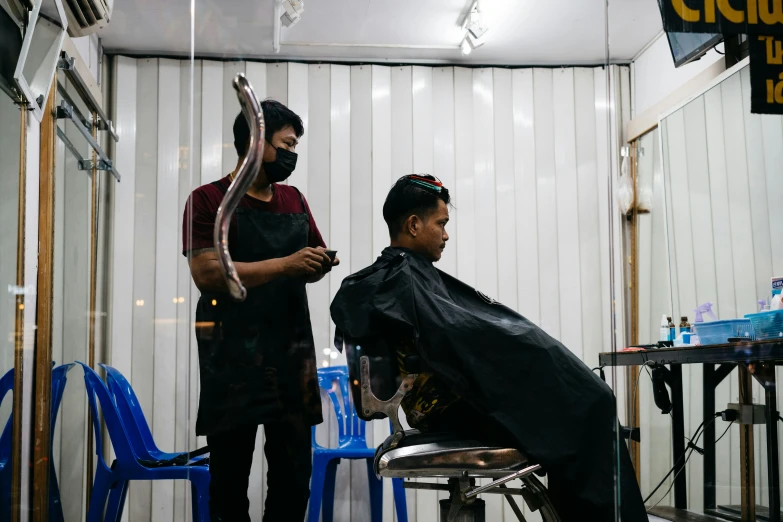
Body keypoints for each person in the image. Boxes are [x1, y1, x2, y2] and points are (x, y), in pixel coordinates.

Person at [330, 174, 648, 522]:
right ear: (414, 224)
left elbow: (465, 340)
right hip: (454, 411)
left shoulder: (394, 281)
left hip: (447, 407)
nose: (447, 235)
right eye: (442, 224)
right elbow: (468, 342)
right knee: (593, 404)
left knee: (585, 404)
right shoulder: (400, 281)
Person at [182, 100, 338, 522]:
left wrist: (318, 264)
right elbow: (209, 273)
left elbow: (311, 257)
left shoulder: (293, 199)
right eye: (286, 144)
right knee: (229, 478)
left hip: (291, 354)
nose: (292, 155)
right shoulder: (209, 200)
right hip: (231, 357)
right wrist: (286, 264)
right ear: (255, 143)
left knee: (293, 477)